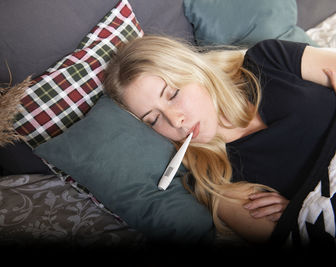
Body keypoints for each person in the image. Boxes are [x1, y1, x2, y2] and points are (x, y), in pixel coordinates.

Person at [103, 35, 336, 243]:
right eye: (154, 119)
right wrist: (306, 209)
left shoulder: (269, 58)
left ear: (195, 70)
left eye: (173, 94)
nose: (175, 121)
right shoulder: (216, 180)